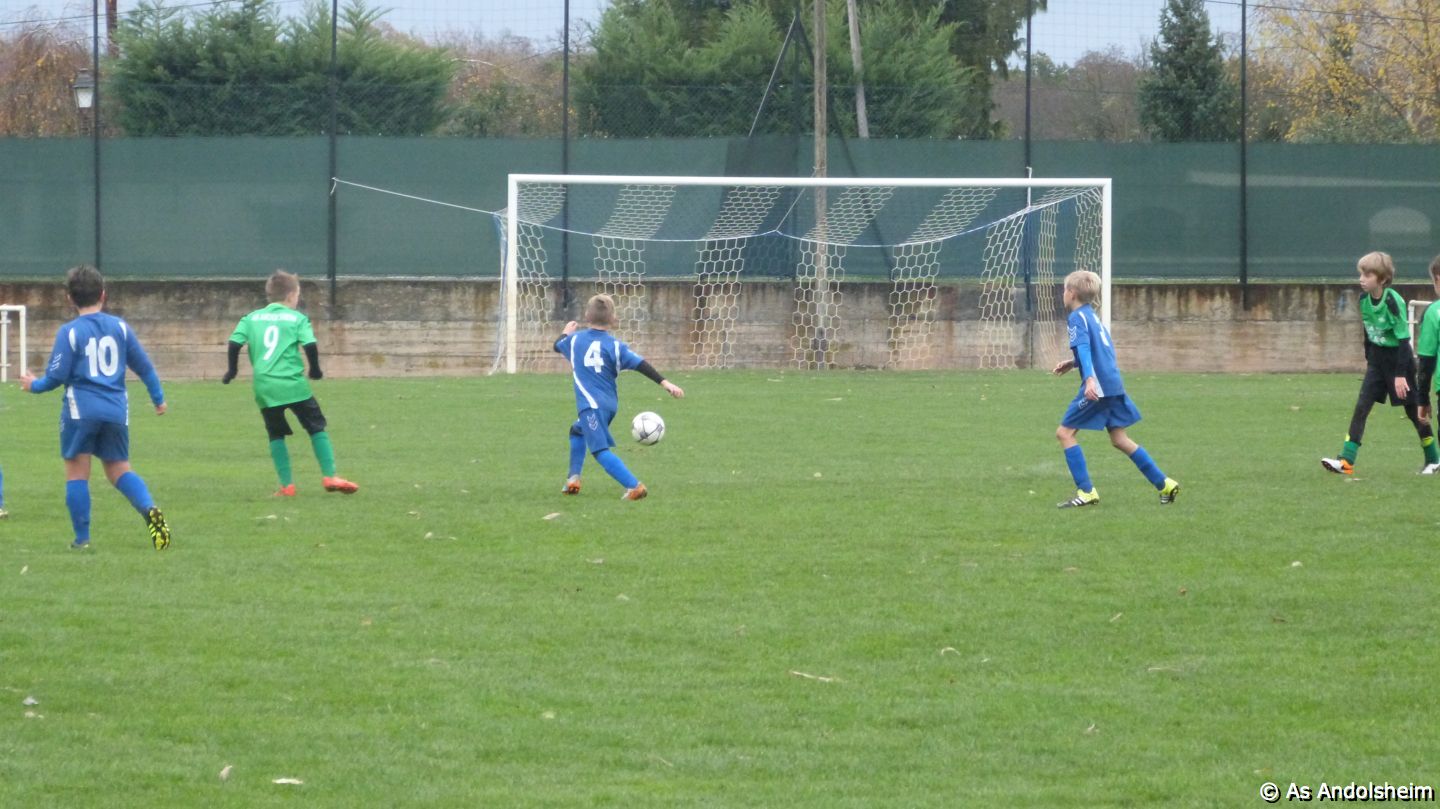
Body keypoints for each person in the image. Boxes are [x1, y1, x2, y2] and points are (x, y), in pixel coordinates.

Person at [19, 265, 170, 550]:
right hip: (116, 410)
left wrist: (33, 385)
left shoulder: (69, 332)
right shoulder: (120, 328)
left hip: (81, 410)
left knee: (77, 473)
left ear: (69, 298)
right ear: (103, 294)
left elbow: (56, 376)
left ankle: (82, 540)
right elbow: (145, 367)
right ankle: (150, 509)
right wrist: (158, 398)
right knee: (119, 469)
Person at [223, 270, 358, 496]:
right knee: (316, 427)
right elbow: (310, 344)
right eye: (298, 295)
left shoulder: (251, 318)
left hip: (265, 387)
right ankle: (329, 476)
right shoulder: (297, 319)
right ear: (291, 295)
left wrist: (232, 370)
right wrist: (315, 369)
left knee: (276, 434)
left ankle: (287, 486)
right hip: (294, 385)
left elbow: (234, 343)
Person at [1052, 269, 1180, 508]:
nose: (1063, 294)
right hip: (1112, 382)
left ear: (1072, 293)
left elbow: (1085, 349)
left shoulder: (1076, 318)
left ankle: (1086, 492)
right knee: (1120, 439)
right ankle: (1165, 484)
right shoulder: (1092, 316)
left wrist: (1089, 379)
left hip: (1099, 386)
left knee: (1064, 433)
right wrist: (1073, 363)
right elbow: (1100, 350)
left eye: (1064, 289)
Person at [554, 294, 684, 500]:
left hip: (591, 406)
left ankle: (634, 486)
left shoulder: (575, 340)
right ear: (614, 320)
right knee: (577, 431)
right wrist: (665, 383)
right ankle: (573, 479)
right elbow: (641, 365)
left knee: (599, 450)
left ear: (586, 315)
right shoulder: (616, 346)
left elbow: (557, 345)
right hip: (609, 405)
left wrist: (565, 332)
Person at [1322, 251, 1438, 475]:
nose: (1361, 279)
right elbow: (1368, 332)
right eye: (1361, 274)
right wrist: (1370, 360)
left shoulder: (1393, 301)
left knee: (1414, 412)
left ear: (1382, 279)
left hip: (1399, 361)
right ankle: (1346, 461)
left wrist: (1401, 375)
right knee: (1362, 407)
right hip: (1377, 362)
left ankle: (1433, 459)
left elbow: (1404, 340)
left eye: (1367, 275)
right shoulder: (1363, 300)